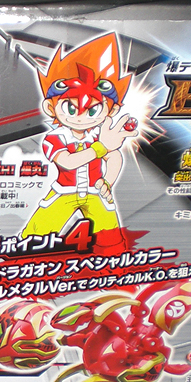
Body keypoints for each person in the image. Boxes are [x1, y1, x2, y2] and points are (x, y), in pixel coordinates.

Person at [21, 33, 137, 248]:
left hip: (95, 192)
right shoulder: (55, 138)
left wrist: (108, 181)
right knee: (34, 238)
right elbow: (69, 162)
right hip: (63, 192)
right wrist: (102, 148)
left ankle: (113, 264)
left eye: (92, 111)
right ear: (50, 107)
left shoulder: (98, 135)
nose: (80, 117)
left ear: (111, 111)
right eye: (71, 108)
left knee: (112, 241)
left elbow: (114, 157)